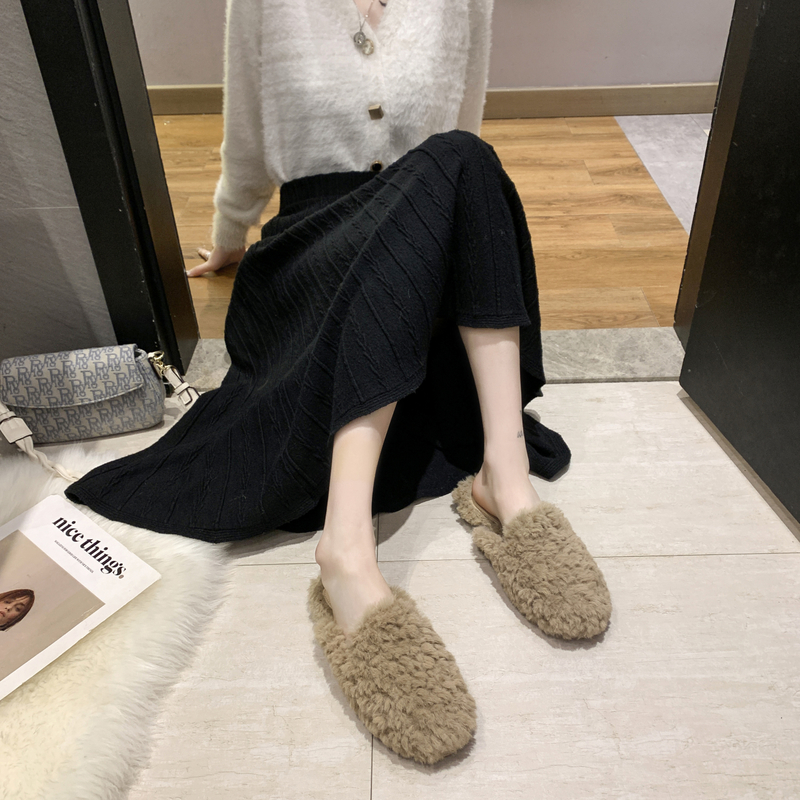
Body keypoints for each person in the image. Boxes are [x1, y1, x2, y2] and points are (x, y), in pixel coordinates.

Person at [66, 0, 610, 763]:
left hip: (417, 244)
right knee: (458, 159)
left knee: (465, 157)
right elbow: (246, 139)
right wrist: (227, 236)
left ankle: (506, 477)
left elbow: (465, 133)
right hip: (309, 253)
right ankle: (345, 546)